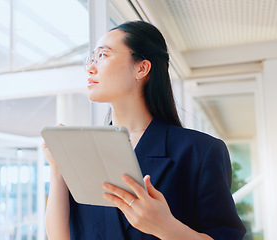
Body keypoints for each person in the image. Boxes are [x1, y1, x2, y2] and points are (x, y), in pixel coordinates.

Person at [43, 21, 246, 240]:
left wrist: (167, 228)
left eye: (103, 55)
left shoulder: (201, 151)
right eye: (92, 58)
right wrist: (57, 170)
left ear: (142, 68)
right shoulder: (87, 149)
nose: (91, 68)